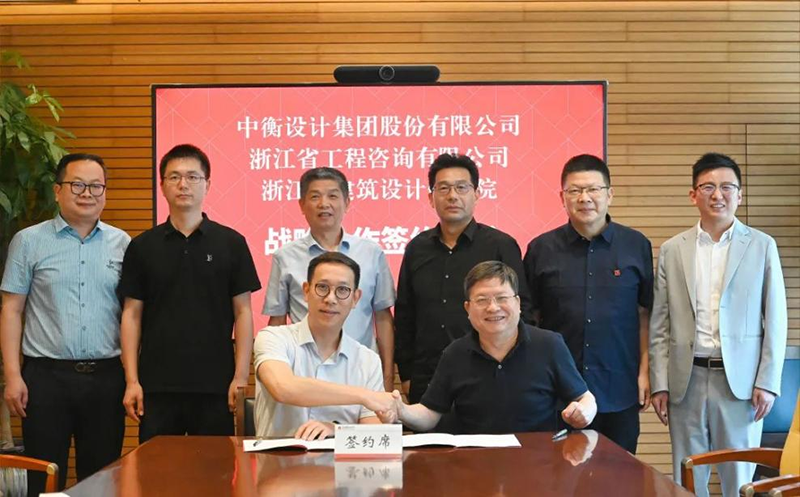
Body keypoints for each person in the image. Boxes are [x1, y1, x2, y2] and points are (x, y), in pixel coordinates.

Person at [650, 152, 787, 497]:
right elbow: (660, 324)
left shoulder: (761, 245)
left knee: (739, 480)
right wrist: (659, 383)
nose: (718, 195)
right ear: (693, 195)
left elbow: (776, 319)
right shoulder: (672, 249)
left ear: (739, 195)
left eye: (727, 187)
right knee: (687, 476)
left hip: (740, 385)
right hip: (686, 381)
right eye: (708, 187)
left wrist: (768, 382)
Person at [0, 153, 130, 493]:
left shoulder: (123, 244)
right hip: (45, 379)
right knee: (43, 477)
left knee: (101, 479)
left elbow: (132, 314)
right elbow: (11, 310)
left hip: (106, 378)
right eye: (77, 185)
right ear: (57, 190)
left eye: (96, 186)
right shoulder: (28, 241)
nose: (87, 193)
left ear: (105, 192)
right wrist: (13, 376)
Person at [118, 144, 261, 443]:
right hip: (156, 386)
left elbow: (243, 312)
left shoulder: (231, 243)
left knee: (214, 468)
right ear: (162, 186)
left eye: (193, 177)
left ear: (207, 184)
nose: (183, 184)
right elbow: (131, 315)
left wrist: (240, 377)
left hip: (215, 385)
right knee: (156, 469)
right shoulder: (142, 246)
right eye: (174, 177)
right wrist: (132, 381)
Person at [523, 154, 653, 454]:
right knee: (559, 474)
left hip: (619, 387)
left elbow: (645, 314)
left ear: (609, 194)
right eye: (575, 191)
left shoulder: (636, 245)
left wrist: (645, 373)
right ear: (562, 197)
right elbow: (530, 320)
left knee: (620, 474)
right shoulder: (541, 249)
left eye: (593, 189)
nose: (585, 198)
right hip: (558, 393)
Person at [381, 261, 596, 434]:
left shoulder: (549, 345)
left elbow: (584, 397)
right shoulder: (455, 353)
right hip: (474, 462)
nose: (493, 308)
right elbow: (430, 413)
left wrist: (584, 411)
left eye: (502, 298)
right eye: (482, 300)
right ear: (468, 308)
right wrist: (402, 411)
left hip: (538, 462)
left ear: (518, 303)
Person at [394, 153, 533, 405]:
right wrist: (406, 374)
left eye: (461, 187)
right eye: (443, 188)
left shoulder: (500, 245)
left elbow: (523, 310)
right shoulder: (416, 248)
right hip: (428, 377)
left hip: (488, 372)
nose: (452, 196)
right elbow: (405, 314)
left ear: (476, 194)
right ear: (430, 197)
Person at [263, 167, 396, 392]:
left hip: (360, 372)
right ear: (301, 205)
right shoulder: (285, 257)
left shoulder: (371, 253)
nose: (324, 204)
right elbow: (277, 321)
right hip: (304, 373)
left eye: (333, 196)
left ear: (347, 202)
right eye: (315, 196)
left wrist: (388, 376)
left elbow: (383, 317)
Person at [255, 252, 398, 440]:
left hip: (340, 459)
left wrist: (338, 430)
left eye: (342, 290)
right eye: (322, 287)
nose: (331, 298)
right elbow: (283, 387)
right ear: (306, 291)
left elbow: (373, 430)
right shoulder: (274, 338)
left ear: (355, 298)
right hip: (277, 457)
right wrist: (365, 396)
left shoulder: (367, 359)